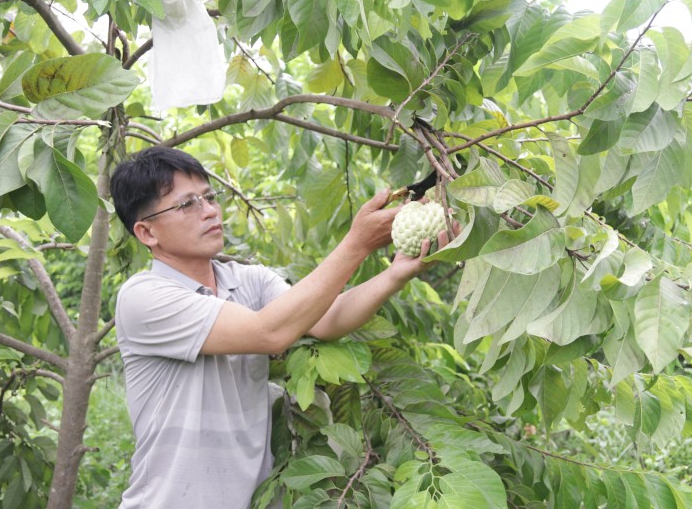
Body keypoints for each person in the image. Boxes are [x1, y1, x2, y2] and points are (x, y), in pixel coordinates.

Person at [108, 146, 451, 508]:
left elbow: (325, 318)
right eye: (187, 204)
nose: (209, 211)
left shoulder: (247, 281)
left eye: (210, 197)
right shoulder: (143, 298)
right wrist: (357, 243)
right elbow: (268, 332)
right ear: (147, 233)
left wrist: (397, 274)